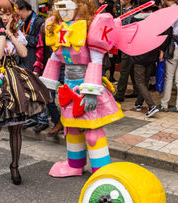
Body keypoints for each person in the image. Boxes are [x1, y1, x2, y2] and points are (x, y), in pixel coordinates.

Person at [39, 0, 124, 177]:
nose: (63, 12)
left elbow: (96, 60)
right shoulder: (56, 27)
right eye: (59, 8)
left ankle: (102, 170)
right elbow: (55, 58)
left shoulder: (92, 26)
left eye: (67, 7)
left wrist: (91, 92)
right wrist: (47, 87)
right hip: (68, 86)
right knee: (71, 128)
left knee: (93, 130)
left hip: (86, 82)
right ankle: (74, 165)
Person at [0, 0, 50, 190]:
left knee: (16, 128)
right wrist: (1, 34)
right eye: (0, 14)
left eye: (8, 13)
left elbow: (23, 53)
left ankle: (14, 166)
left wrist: (10, 34)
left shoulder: (14, 32)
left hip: (14, 80)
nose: (5, 17)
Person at [16, 0, 49, 133]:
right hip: (24, 59)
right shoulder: (22, 22)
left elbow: (41, 43)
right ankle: (34, 117)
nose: (17, 15)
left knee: (38, 91)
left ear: (23, 9)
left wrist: (25, 37)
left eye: (17, 11)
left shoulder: (39, 22)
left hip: (35, 61)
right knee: (29, 91)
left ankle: (43, 119)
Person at [33, 21, 64, 137]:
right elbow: (40, 49)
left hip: (69, 67)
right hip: (51, 66)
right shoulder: (46, 26)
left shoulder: (74, 23)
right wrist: (37, 68)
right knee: (47, 96)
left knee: (71, 98)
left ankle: (72, 126)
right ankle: (57, 121)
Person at [159, 0, 178, 113]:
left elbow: (168, 33)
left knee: (169, 77)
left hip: (173, 48)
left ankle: (164, 104)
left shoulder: (171, 12)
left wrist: (161, 50)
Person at [114, 0, 139, 102]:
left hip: (128, 45)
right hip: (129, 45)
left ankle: (120, 94)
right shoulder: (127, 11)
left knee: (124, 70)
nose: (120, 1)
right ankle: (137, 90)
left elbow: (129, 29)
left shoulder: (131, 12)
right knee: (132, 68)